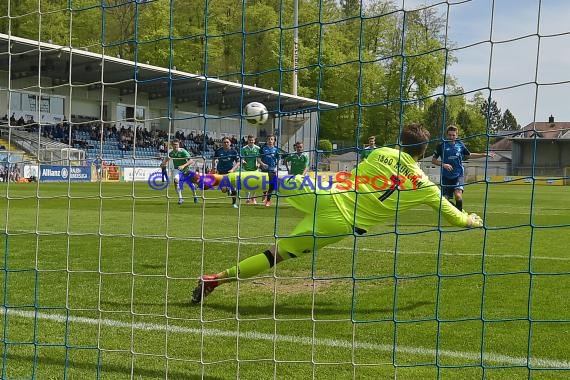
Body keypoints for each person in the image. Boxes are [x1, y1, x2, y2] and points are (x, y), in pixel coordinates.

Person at [190, 123, 484, 304]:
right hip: (339, 222)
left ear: (401, 141)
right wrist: (471, 219)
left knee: (274, 180)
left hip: (325, 188)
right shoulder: (426, 186)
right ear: (423, 151)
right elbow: (455, 218)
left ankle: (214, 179)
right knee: (274, 254)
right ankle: (216, 279)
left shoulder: (381, 152)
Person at [431, 125, 494, 211]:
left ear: (456, 135)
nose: (451, 137)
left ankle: (459, 213)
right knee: (444, 201)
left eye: (453, 135)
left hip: (458, 175)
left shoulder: (460, 145)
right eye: (449, 135)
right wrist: (444, 164)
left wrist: (484, 154)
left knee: (458, 196)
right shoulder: (441, 146)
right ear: (446, 135)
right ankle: (455, 210)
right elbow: (433, 160)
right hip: (446, 177)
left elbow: (469, 155)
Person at [161, 139, 198, 205]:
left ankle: (195, 195)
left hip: (185, 169)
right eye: (174, 145)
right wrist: (163, 163)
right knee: (176, 181)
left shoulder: (183, 151)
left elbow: (191, 160)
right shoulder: (172, 153)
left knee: (190, 184)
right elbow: (167, 158)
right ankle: (180, 198)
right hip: (177, 169)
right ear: (172, 145)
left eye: (177, 145)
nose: (175, 146)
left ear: (179, 145)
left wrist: (183, 166)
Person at [212, 137, 240, 208]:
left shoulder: (234, 151)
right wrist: (213, 168)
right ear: (222, 143)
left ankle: (234, 203)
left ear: (230, 143)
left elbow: (238, 162)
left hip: (230, 172)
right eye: (224, 142)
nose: (226, 143)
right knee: (223, 190)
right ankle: (228, 189)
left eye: (227, 142)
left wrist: (233, 169)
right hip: (221, 172)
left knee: (234, 187)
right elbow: (214, 159)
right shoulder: (218, 151)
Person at [258, 135, 280, 207]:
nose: (270, 141)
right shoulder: (263, 149)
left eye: (272, 139)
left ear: (274, 141)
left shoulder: (276, 149)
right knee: (264, 185)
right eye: (269, 139)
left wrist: (277, 167)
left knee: (272, 185)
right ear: (267, 141)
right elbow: (258, 158)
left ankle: (268, 201)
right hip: (264, 170)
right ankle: (264, 193)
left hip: (272, 169)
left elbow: (278, 159)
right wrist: (262, 164)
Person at [239, 135, 261, 204]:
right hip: (246, 169)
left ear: (254, 140)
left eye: (252, 140)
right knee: (246, 184)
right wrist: (243, 161)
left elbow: (259, 158)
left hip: (255, 169)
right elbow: (241, 157)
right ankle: (247, 198)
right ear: (247, 140)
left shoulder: (258, 148)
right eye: (250, 140)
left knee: (255, 184)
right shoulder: (244, 148)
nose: (251, 141)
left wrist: (259, 164)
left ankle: (253, 198)